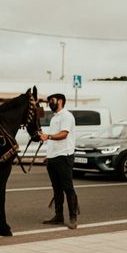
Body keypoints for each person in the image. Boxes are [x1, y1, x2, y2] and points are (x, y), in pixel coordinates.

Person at [39, 93, 79, 229]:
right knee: (56, 189)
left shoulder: (66, 116)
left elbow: (64, 134)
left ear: (60, 101)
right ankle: (59, 216)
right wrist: (48, 155)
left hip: (64, 156)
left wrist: (48, 136)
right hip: (53, 158)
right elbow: (54, 139)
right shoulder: (55, 117)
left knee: (68, 187)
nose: (50, 103)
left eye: (52, 100)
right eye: (50, 101)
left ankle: (73, 217)